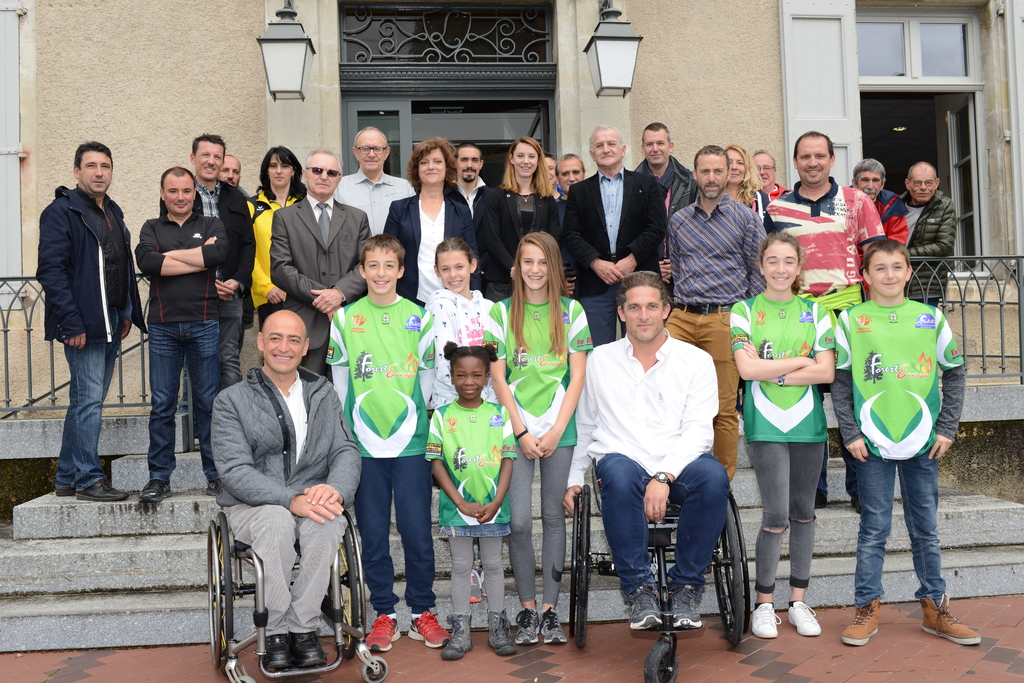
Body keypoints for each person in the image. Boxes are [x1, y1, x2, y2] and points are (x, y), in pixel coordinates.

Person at [564, 271, 729, 632]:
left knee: (714, 477)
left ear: (666, 310)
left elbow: (699, 431)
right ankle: (639, 590)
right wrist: (574, 476)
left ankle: (685, 588)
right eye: (635, 307)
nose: (643, 315)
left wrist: (663, 476)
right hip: (622, 460)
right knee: (619, 474)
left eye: (652, 307)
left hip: (679, 463)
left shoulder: (696, 360)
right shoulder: (599, 360)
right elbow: (586, 425)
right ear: (621, 312)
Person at [833, 239, 978, 648]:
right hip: (873, 443)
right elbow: (840, 383)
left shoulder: (930, 318)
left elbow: (955, 371)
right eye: (880, 268)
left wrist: (947, 428)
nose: (889, 275)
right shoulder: (851, 320)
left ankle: (935, 608)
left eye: (897, 266)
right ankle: (866, 607)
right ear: (865, 275)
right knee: (873, 529)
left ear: (909, 271)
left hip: (923, 442)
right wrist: (851, 434)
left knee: (925, 529)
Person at [211, 310, 361, 670]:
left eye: (294, 340)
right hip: (254, 505)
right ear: (261, 342)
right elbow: (234, 471)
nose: (284, 347)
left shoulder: (323, 393)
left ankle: (303, 627)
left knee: (328, 521)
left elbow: (345, 449)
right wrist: (289, 500)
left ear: (305, 347)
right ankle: (275, 631)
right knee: (276, 521)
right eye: (275, 338)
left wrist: (336, 489)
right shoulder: (230, 401)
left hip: (311, 498)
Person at [326, 234, 449, 652]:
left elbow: (427, 377)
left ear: (401, 270)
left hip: (411, 444)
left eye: (389, 265)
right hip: (364, 447)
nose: (381, 273)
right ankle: (384, 612)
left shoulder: (419, 316)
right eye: (373, 265)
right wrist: (348, 433)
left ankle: (421, 611)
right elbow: (340, 379)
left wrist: (416, 419)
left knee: (417, 533)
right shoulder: (345, 318)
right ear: (362, 271)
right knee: (374, 534)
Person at [764, 131, 886, 509]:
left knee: (853, 399)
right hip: (800, 315)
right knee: (804, 402)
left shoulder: (857, 201)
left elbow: (877, 259)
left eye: (820, 156)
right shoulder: (777, 210)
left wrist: (878, 313)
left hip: (848, 312)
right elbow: (770, 267)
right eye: (805, 156)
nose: (812, 163)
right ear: (795, 161)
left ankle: (862, 487)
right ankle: (810, 489)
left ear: (832, 159)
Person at [485, 231, 591, 646]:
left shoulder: (572, 310)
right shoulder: (499, 312)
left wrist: (558, 429)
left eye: (543, 262)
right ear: (516, 267)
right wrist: (521, 430)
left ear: (554, 267)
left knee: (552, 517)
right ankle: (527, 609)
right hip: (517, 429)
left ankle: (550, 610)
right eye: (527, 261)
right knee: (519, 522)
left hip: (559, 428)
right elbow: (497, 377)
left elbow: (577, 376)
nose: (535, 269)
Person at [731, 232, 835, 639]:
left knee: (804, 511)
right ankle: (763, 604)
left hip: (808, 424)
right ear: (760, 266)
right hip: (765, 422)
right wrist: (800, 361)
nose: (780, 268)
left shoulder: (817, 311)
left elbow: (826, 372)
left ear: (799, 267)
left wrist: (773, 369)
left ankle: (798, 602)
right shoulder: (744, 310)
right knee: (775, 515)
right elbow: (747, 370)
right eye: (772, 261)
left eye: (788, 261)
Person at [37, 141, 146, 502]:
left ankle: (67, 477)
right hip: (83, 322)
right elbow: (51, 272)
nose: (99, 173)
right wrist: (71, 323)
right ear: (76, 171)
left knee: (85, 400)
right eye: (91, 166)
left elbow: (121, 264)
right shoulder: (61, 212)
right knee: (89, 402)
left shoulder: (112, 210)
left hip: (111, 318)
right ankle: (88, 479)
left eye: (105, 166)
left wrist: (126, 310)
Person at [665, 144, 766, 480]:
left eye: (718, 171)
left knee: (723, 408)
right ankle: (672, 475)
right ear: (695, 174)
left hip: (724, 318)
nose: (711, 178)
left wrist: (741, 317)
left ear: (728, 174)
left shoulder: (746, 219)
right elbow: (677, 268)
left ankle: (721, 484)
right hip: (681, 318)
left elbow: (759, 273)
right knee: (671, 402)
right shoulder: (679, 221)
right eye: (705, 171)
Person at [135, 167, 228, 502]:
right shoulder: (151, 227)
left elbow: (218, 254)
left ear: (194, 193)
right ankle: (159, 478)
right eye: (172, 191)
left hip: (204, 322)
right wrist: (198, 258)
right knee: (163, 405)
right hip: (163, 325)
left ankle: (216, 476)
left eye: (186, 191)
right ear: (162, 194)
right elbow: (147, 262)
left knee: (208, 403)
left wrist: (168, 258)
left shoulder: (211, 224)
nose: (180, 197)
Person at [428, 342, 517, 661]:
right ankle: (461, 631)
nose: (469, 381)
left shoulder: (500, 414)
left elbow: (507, 459)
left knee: (493, 565)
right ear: (451, 377)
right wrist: (460, 503)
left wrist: (497, 501)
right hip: (457, 510)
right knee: (461, 566)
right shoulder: (441, 416)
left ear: (487, 377)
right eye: (461, 375)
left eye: (477, 375)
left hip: (494, 507)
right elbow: (436, 463)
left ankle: (497, 628)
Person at [562, 125, 666, 346]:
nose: (606, 149)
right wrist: (595, 262)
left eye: (611, 144)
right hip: (595, 284)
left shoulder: (647, 184)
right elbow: (570, 234)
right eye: (599, 145)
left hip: (640, 279)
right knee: (597, 352)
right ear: (592, 154)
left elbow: (657, 227)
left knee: (644, 346)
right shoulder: (579, 191)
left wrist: (632, 260)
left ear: (623, 149)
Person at [270, 148, 370, 376]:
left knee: (347, 393)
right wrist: (325, 297)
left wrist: (339, 294)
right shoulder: (284, 218)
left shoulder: (357, 218)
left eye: (331, 172)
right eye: (317, 170)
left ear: (339, 180)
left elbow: (365, 266)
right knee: (305, 392)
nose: (324, 176)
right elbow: (280, 268)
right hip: (303, 323)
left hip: (349, 322)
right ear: (305, 175)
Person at [189, 134, 256, 391]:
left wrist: (238, 280)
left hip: (230, 294)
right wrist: (205, 283)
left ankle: (228, 416)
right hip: (193, 295)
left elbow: (248, 244)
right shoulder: (182, 194)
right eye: (205, 155)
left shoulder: (236, 198)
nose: (211, 161)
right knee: (193, 359)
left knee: (229, 359)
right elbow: (174, 245)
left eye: (217, 156)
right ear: (193, 158)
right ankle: (193, 418)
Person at [383, 137, 478, 305]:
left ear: (447, 168)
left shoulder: (461, 211)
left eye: (437, 161)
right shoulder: (399, 209)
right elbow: (387, 257)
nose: (431, 166)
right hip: (409, 300)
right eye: (424, 162)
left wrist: (474, 301)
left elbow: (472, 257)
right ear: (417, 170)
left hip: (454, 300)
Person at [481, 136, 560, 302]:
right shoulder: (496, 196)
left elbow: (554, 239)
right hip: (501, 283)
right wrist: (514, 267)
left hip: (538, 281)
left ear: (538, 161)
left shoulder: (547, 199)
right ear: (511, 159)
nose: (526, 161)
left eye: (531, 156)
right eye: (520, 156)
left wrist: (536, 267)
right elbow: (492, 240)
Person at [425, 237, 496, 408]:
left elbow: (496, 355)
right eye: (445, 269)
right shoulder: (439, 306)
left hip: (490, 402)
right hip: (451, 404)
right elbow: (444, 363)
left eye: (459, 267)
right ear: (436, 271)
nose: (453, 274)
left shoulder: (489, 307)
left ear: (472, 265)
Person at [633, 122, 697, 288]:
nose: (655, 149)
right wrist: (652, 265)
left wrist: (676, 264)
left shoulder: (690, 183)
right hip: (643, 271)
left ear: (671, 146)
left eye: (660, 143)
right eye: (649, 144)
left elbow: (697, 229)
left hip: (683, 272)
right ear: (642, 148)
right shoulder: (631, 184)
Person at [251, 147, 306, 328]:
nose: (279, 171)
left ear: (294, 170)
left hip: (305, 293)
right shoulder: (251, 206)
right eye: (273, 166)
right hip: (271, 295)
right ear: (266, 171)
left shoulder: (307, 204)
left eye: (285, 166)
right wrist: (266, 287)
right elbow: (247, 252)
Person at [335, 126, 415, 236]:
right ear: (356, 152)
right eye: (365, 149)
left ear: (386, 152)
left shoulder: (404, 188)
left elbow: (413, 228)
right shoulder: (338, 187)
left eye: (377, 149)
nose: (371, 155)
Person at [901, 161, 957, 307]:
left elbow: (944, 246)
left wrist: (902, 254)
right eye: (917, 183)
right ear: (907, 184)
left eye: (928, 183)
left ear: (936, 183)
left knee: (924, 321)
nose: (923, 188)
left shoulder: (944, 206)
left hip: (927, 284)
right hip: (895, 281)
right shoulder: (895, 205)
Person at [451, 142, 490, 284]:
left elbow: (499, 237)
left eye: (474, 160)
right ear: (455, 163)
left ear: (481, 164)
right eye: (464, 160)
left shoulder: (494, 197)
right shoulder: (443, 196)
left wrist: (480, 265)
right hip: (450, 275)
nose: (469, 165)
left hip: (485, 276)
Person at [852, 159, 908, 244]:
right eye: (865, 180)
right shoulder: (841, 203)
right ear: (854, 183)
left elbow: (895, 244)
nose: (870, 186)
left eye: (875, 180)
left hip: (882, 252)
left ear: (882, 184)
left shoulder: (893, 205)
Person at [725, 144, 770, 221]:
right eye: (729, 162)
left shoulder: (759, 198)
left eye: (740, 163)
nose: (734, 167)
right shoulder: (712, 197)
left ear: (747, 168)